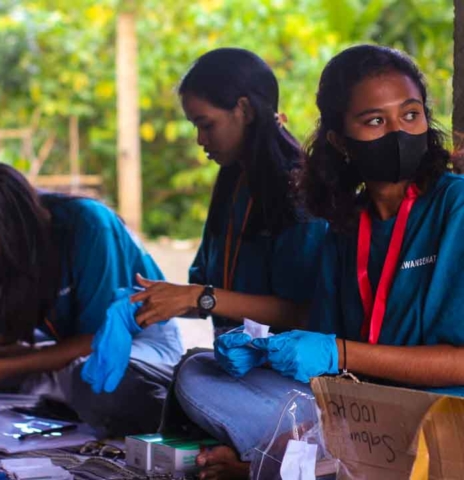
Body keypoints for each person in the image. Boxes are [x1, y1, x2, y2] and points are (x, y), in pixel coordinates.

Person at [176, 44, 464, 479]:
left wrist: (339, 351)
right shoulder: (346, 227)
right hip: (372, 420)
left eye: (411, 115)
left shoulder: (455, 207)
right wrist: (264, 351)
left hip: (449, 416)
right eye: (374, 121)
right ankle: (271, 465)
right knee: (197, 373)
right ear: (338, 140)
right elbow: (327, 370)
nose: (399, 132)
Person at [0, 160, 184, 436]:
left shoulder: (89, 225)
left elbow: (96, 339)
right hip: (67, 346)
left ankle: (57, 382)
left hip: (136, 343)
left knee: (93, 377)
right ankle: (55, 382)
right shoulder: (6, 244)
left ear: (13, 225)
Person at [131, 48, 327, 337]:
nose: (200, 139)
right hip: (237, 362)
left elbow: (302, 312)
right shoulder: (234, 182)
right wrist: (150, 300)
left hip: (288, 372)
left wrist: (197, 296)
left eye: (206, 124)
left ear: (245, 110)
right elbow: (205, 292)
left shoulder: (298, 189)